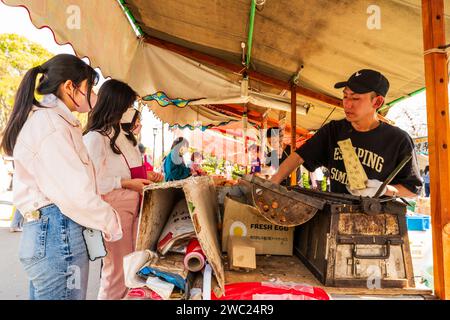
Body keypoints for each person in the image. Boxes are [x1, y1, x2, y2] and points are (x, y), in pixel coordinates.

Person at [0, 54, 123, 300]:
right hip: (58, 232)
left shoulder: (52, 120)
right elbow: (76, 193)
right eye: (90, 87)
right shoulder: (51, 125)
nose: (94, 95)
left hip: (50, 233)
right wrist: (112, 223)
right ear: (70, 87)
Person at [271, 69, 422, 198]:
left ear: (377, 102)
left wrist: (384, 189)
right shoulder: (334, 131)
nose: (347, 104)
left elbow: (413, 190)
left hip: (377, 220)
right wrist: (272, 184)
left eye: (355, 98)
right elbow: (299, 156)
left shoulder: (398, 140)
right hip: (335, 214)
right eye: (345, 96)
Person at [83, 79, 163, 300]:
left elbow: (128, 171)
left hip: (135, 207)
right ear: (116, 104)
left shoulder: (125, 137)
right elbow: (95, 181)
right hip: (114, 210)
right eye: (129, 105)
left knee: (133, 267)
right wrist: (127, 183)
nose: (132, 111)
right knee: (116, 271)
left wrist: (145, 177)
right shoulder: (95, 138)